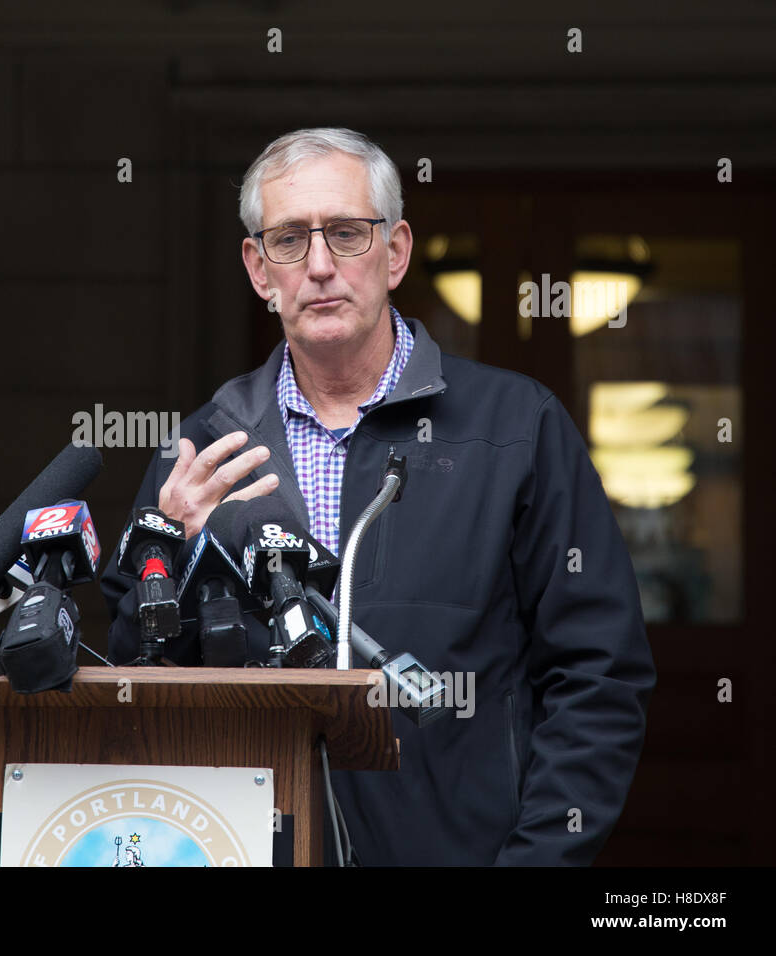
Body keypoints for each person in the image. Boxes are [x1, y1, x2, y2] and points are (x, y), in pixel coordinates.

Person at [100, 127, 655, 865]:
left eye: (346, 234)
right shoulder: (207, 449)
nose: (321, 265)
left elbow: (599, 676)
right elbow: (134, 682)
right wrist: (178, 550)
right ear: (259, 269)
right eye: (290, 240)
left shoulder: (516, 428)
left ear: (395, 253)